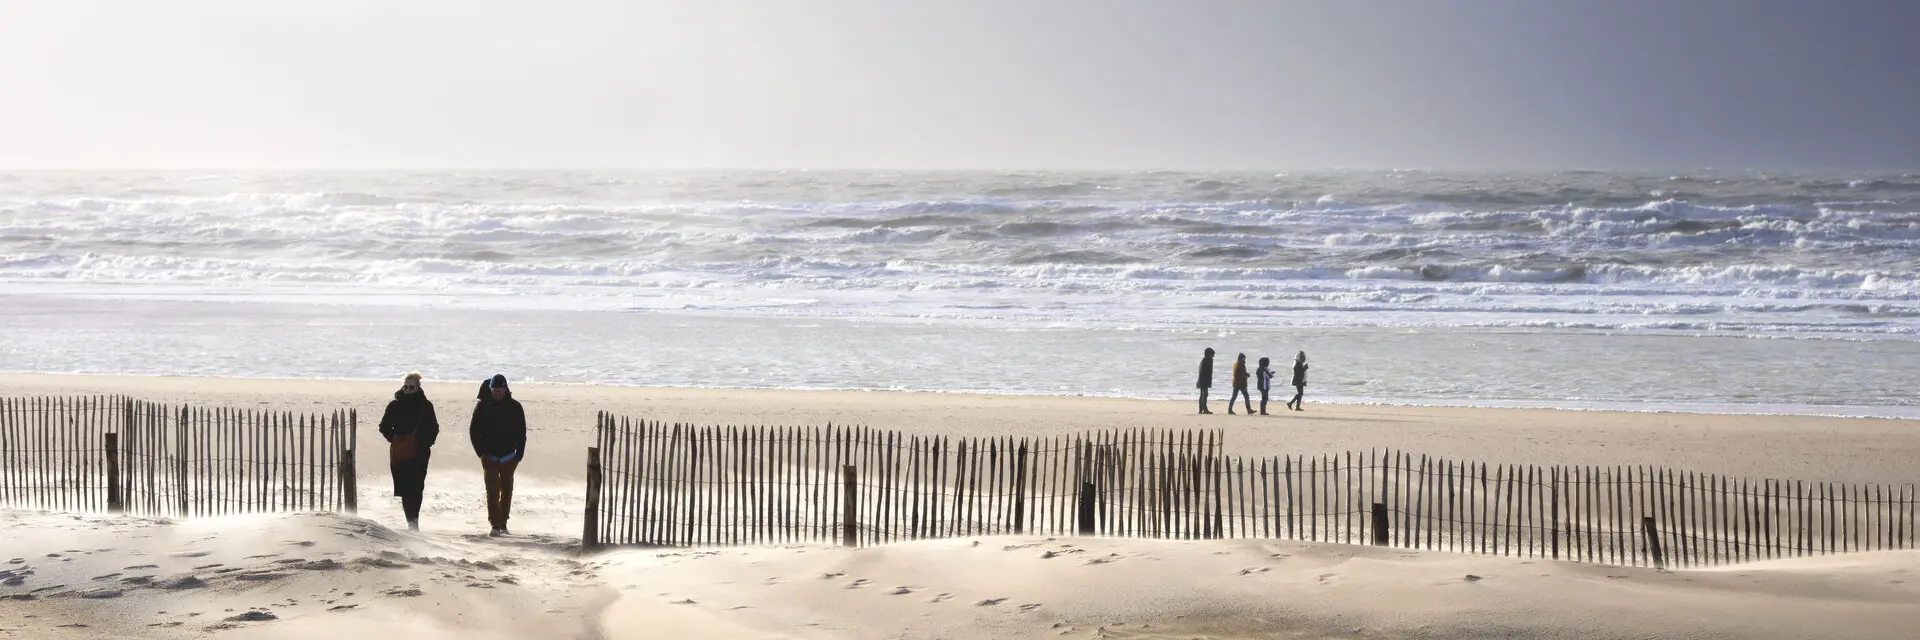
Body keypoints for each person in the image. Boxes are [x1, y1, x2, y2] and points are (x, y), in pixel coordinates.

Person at [378, 372, 438, 531]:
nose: (408, 389)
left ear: (418, 387)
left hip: (420, 453)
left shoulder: (425, 405)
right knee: (404, 488)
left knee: (417, 487)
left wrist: (424, 443)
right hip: (399, 451)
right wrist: (395, 439)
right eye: (405, 386)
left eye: (411, 387)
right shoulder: (394, 405)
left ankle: (414, 522)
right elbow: (383, 426)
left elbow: (434, 428)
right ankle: (410, 521)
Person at [471, 374, 527, 536]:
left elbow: (521, 432)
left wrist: (519, 454)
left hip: (509, 456)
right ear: (490, 390)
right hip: (489, 456)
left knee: (507, 490)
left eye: (500, 391)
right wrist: (480, 452)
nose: (497, 394)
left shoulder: (515, 407)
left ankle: (503, 522)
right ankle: (495, 525)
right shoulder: (482, 406)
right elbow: (473, 430)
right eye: (494, 391)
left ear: (505, 390)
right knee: (492, 490)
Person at [1195, 348, 1215, 414]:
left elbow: (1202, 370)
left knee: (1202, 395)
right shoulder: (1209, 360)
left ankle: (1201, 410)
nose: (1213, 355)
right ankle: (1204, 409)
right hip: (1204, 380)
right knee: (1205, 394)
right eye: (1213, 354)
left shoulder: (1204, 359)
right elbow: (1206, 371)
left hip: (1201, 379)